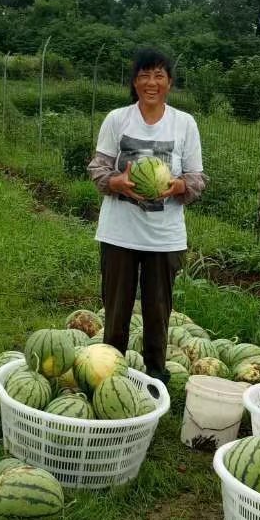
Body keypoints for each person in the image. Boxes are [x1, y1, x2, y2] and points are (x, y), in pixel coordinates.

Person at [87, 47, 206, 385]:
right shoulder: (116, 119)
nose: (150, 82)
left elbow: (198, 178)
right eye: (143, 75)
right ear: (134, 81)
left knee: (157, 310)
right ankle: (110, 374)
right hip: (118, 233)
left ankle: (156, 376)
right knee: (116, 310)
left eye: (158, 75)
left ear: (169, 82)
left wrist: (179, 186)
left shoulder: (185, 123)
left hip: (164, 237)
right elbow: (97, 168)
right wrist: (117, 182)